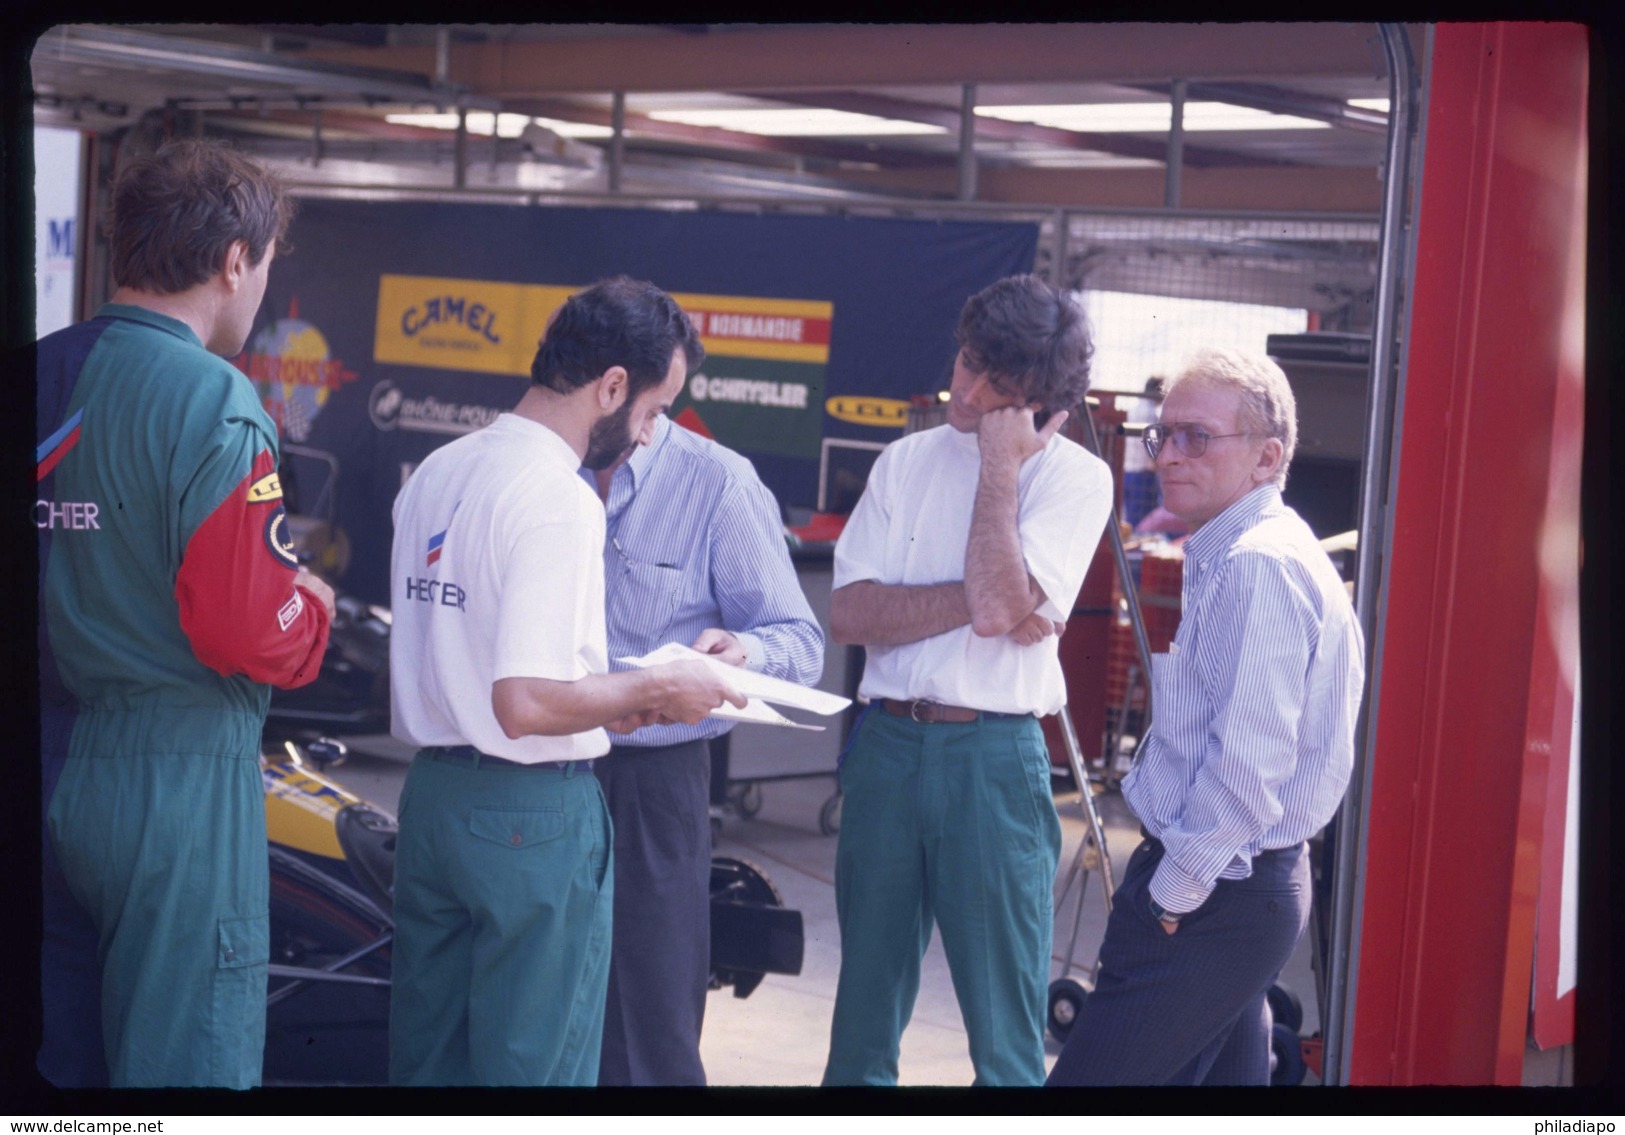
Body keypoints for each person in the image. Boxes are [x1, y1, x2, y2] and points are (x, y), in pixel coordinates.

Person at [386, 276, 748, 1087]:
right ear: (611, 386)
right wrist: (665, 686)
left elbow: (479, 664)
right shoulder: (559, 496)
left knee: (427, 1061)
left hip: (434, 801)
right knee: (534, 1072)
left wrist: (612, 693)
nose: (651, 434)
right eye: (655, 411)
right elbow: (527, 702)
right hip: (531, 816)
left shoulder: (439, 470)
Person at [35, 138, 335, 1088]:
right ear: (235, 260)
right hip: (173, 789)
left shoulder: (40, 370)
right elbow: (243, 629)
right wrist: (310, 609)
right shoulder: (214, 398)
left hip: (46, 763)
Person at [821, 274, 1113, 1087]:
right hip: (885, 741)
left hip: (993, 757)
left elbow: (996, 611)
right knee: (861, 1015)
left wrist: (998, 466)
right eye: (966, 362)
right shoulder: (904, 459)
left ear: (1042, 406)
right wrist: (989, 598)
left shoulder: (1075, 478)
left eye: (998, 387)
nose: (969, 388)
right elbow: (849, 614)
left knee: (1003, 1033)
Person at [1046, 347, 1364, 1087]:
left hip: (1213, 893)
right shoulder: (1235, 552)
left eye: (1197, 436)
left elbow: (1247, 768)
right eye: (1164, 435)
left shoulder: (1257, 564)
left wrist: (1170, 896)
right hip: (1232, 890)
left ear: (1267, 456)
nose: (1169, 454)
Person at [587, 413, 825, 1086]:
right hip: (533, 761)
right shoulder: (541, 465)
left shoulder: (717, 480)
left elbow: (800, 642)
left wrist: (742, 649)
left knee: (646, 1018)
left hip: (650, 781)